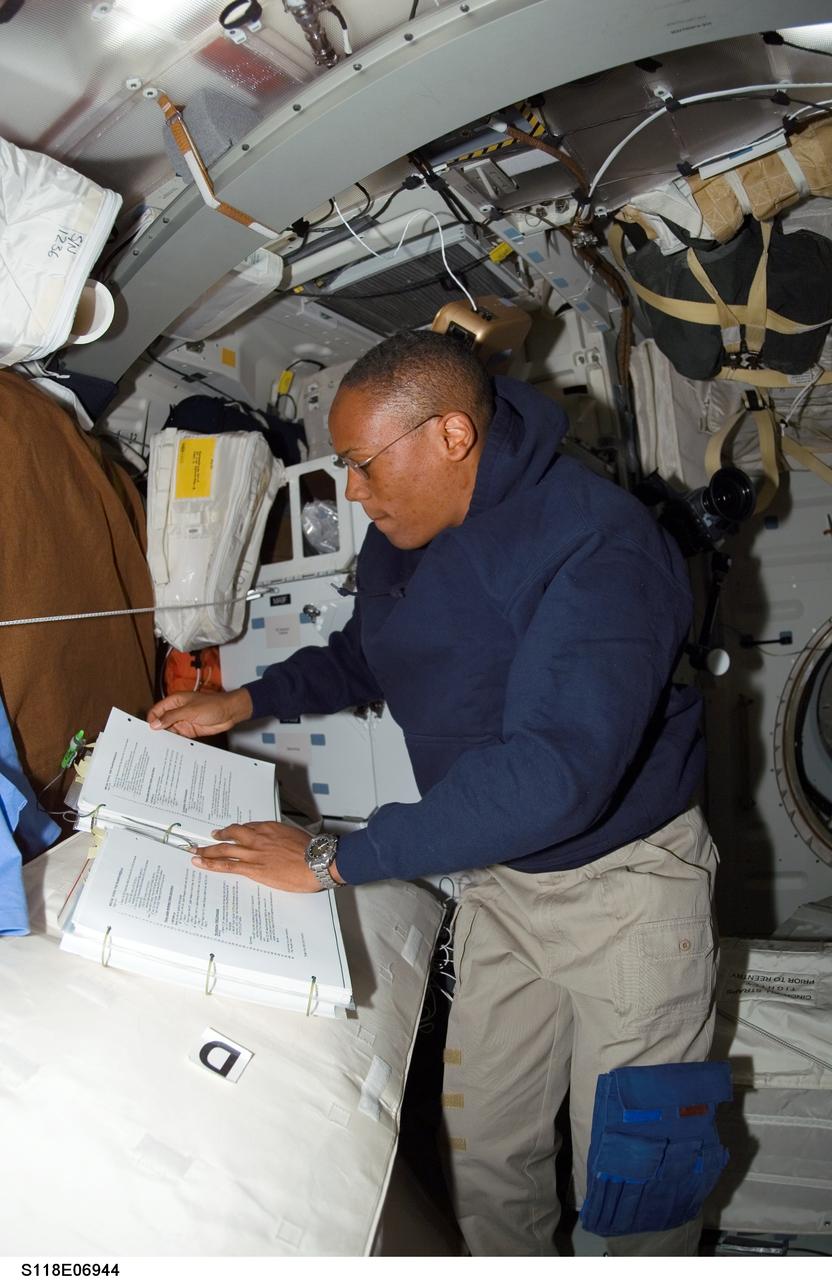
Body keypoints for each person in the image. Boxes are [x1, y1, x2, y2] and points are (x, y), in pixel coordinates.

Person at [147, 329, 718, 1257]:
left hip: (624, 891)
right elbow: (366, 653)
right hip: (504, 886)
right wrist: (243, 700)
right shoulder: (402, 536)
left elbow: (553, 773)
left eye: (364, 466)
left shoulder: (598, 544)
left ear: (452, 435)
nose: (353, 492)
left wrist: (335, 858)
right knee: (487, 1154)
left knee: (633, 1182)